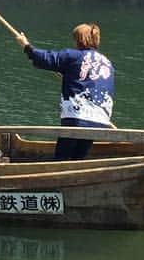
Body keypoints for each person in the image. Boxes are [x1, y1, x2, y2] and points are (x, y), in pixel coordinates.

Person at [13, 22, 115, 161]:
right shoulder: (107, 63)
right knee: (78, 158)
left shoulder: (73, 56)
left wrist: (26, 46)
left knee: (62, 157)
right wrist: (69, 75)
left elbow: (45, 58)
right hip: (100, 121)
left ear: (80, 40)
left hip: (77, 117)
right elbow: (88, 80)